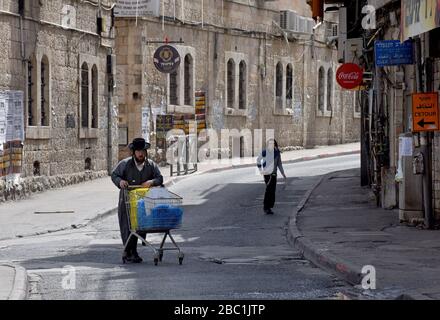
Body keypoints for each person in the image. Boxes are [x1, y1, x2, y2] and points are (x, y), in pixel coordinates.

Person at [111, 137, 163, 263]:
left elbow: (160, 178)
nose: (140, 153)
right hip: (128, 200)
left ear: (145, 152)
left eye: (143, 151)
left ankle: (132, 251)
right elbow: (114, 175)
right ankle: (130, 251)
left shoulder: (151, 165)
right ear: (133, 152)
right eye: (138, 151)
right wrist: (120, 182)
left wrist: (152, 182)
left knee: (141, 226)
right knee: (128, 226)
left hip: (144, 201)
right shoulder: (125, 164)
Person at [256, 139, 287, 215]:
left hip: (274, 174)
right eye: (270, 144)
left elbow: (279, 164)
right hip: (267, 174)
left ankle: (269, 207)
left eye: (273, 144)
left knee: (272, 191)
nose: (272, 146)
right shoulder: (265, 152)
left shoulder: (277, 153)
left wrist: (283, 174)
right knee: (268, 190)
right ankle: (266, 207)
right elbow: (258, 160)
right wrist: (260, 169)